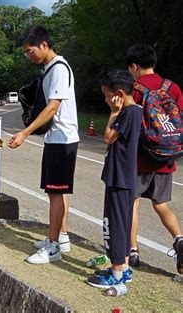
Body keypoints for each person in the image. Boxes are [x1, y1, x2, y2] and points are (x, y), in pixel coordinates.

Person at [8, 25, 79, 264]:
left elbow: (53, 107)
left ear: (44, 45)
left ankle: (53, 246)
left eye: (30, 51)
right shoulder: (49, 68)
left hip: (63, 139)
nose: (28, 56)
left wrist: (24, 133)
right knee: (56, 191)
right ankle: (61, 237)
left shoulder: (59, 68)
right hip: (56, 138)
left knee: (56, 192)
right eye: (25, 52)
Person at [125, 44, 183, 273]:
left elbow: (129, 122)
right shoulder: (173, 87)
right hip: (166, 156)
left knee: (132, 202)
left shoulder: (134, 89)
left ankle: (133, 251)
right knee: (161, 204)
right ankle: (179, 239)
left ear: (134, 66)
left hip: (140, 157)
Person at [87, 70, 142, 288]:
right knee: (122, 223)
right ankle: (124, 268)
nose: (106, 99)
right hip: (125, 176)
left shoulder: (127, 112)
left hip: (119, 177)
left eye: (107, 95)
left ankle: (117, 273)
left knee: (114, 225)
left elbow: (108, 137)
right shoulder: (136, 111)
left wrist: (114, 111)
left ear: (119, 93)